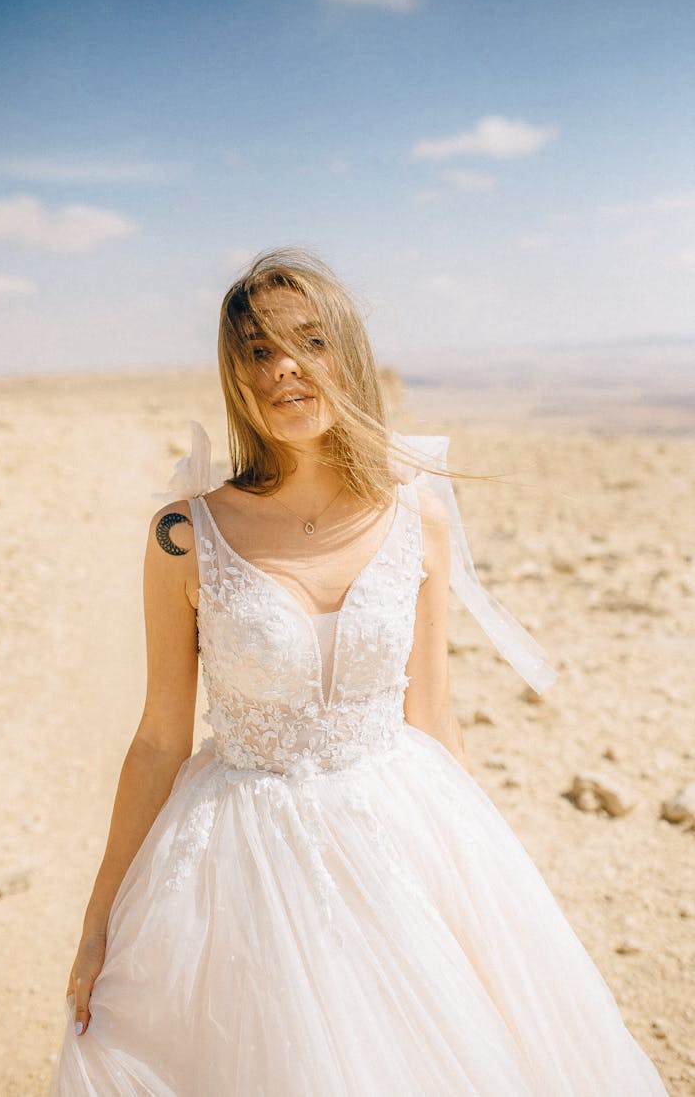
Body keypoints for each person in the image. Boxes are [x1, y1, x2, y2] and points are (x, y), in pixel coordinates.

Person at [51, 249, 668, 1095]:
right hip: (240, 862)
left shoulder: (420, 515)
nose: (285, 369)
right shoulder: (184, 535)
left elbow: (435, 712)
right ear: (235, 373)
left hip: (398, 831)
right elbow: (162, 737)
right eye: (258, 350)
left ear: (350, 352)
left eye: (309, 340)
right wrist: (97, 920)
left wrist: (486, 888)